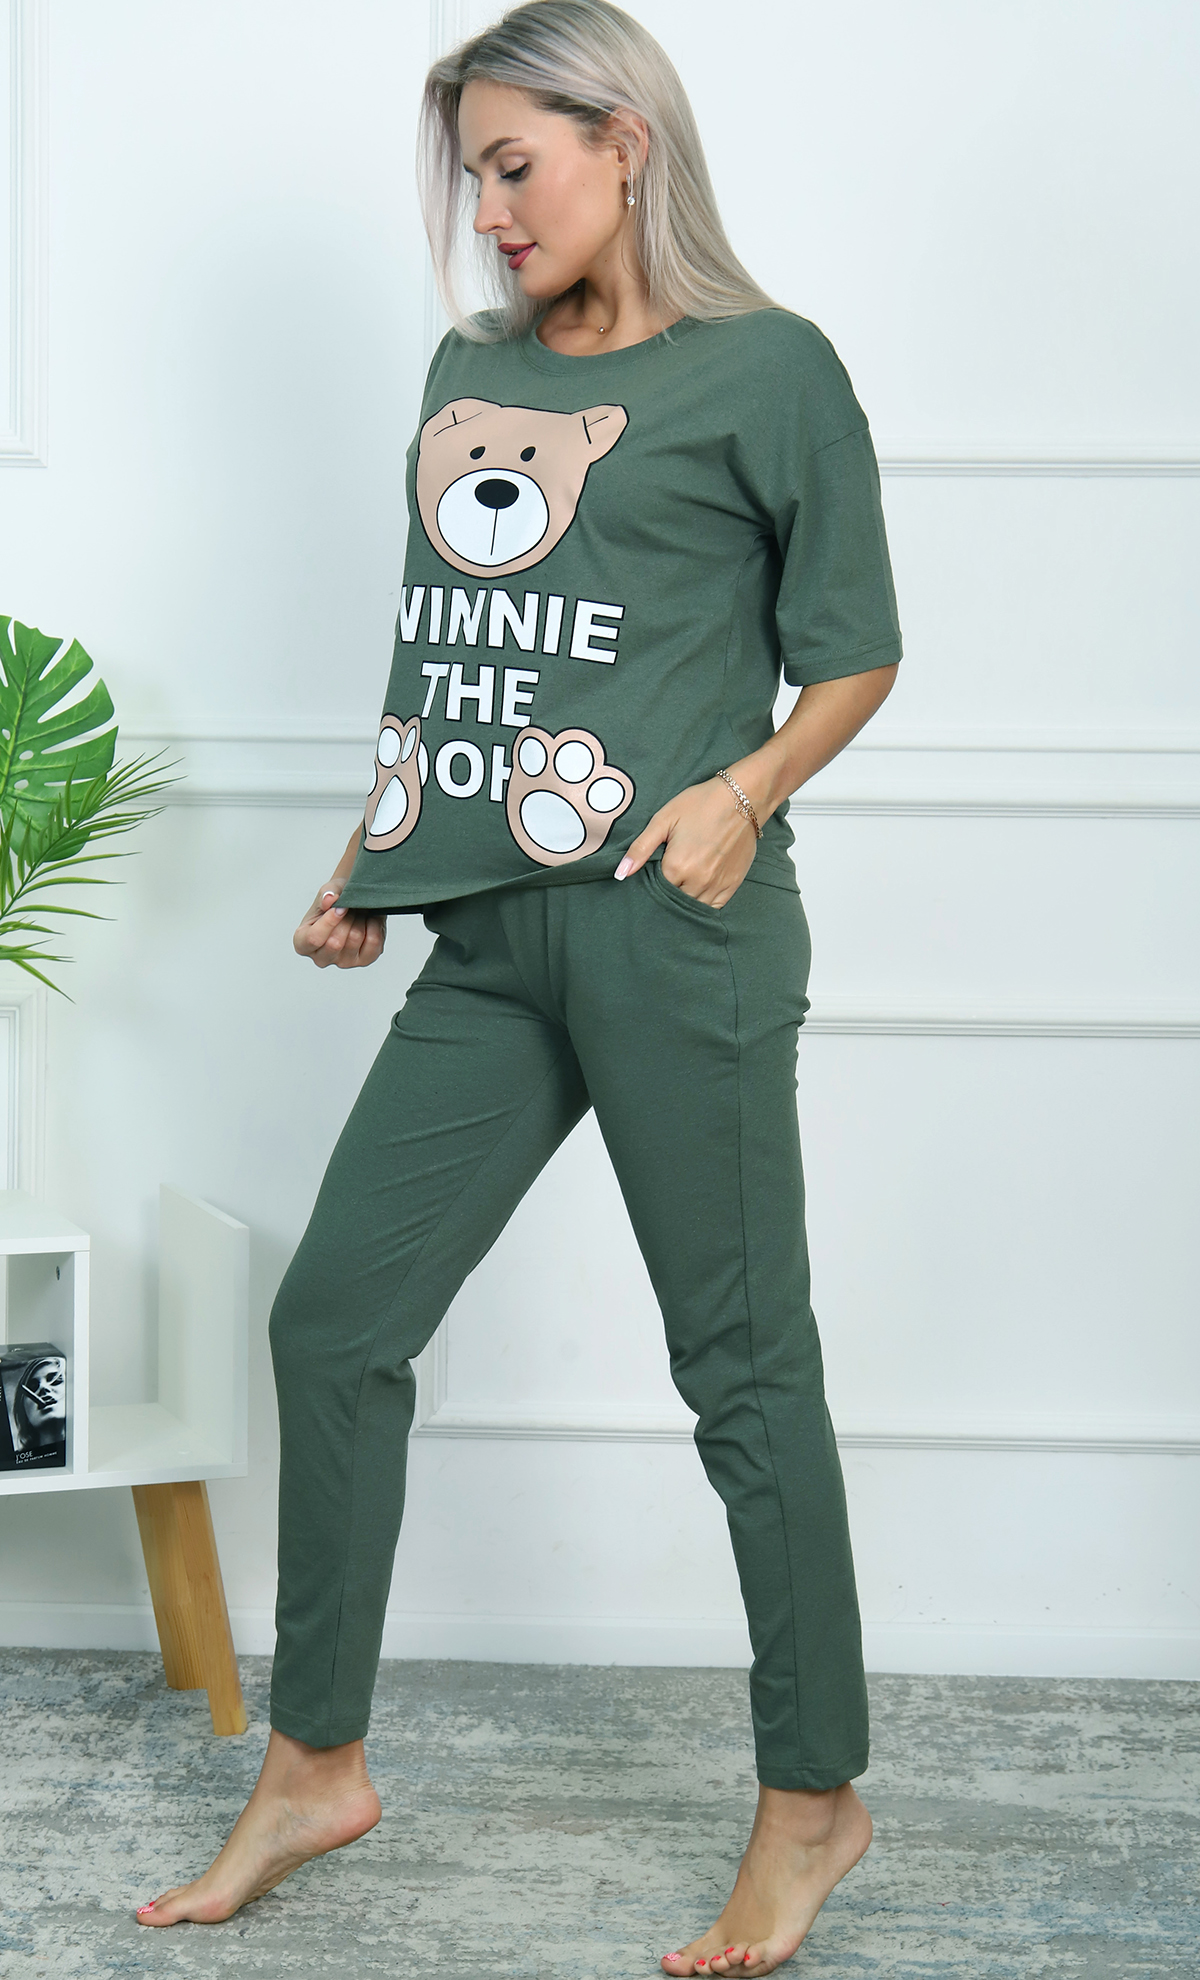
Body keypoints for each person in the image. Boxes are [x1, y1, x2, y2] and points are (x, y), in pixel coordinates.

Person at [135, 3, 902, 1968]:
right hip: (489, 934)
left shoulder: (772, 370)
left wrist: (743, 792)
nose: (487, 212)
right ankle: (316, 1763)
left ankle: (813, 1798)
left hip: (678, 923)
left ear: (623, 143)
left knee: (743, 1370)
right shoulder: (470, 370)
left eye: (513, 165)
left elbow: (856, 652)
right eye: (471, 175)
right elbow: (459, 660)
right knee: (336, 1322)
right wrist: (373, 857)